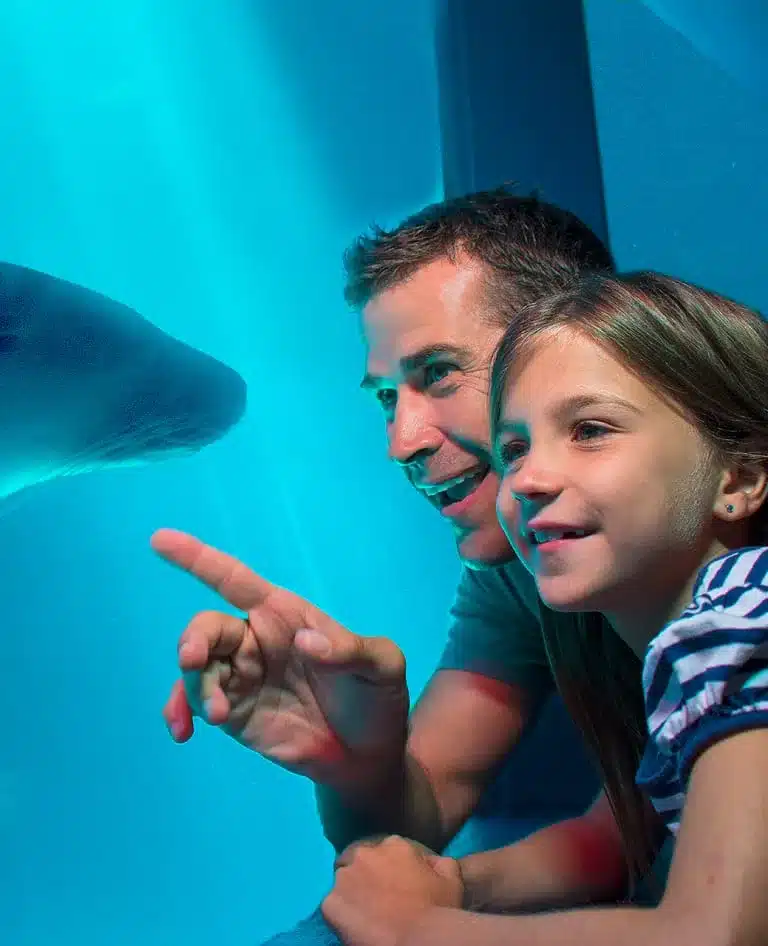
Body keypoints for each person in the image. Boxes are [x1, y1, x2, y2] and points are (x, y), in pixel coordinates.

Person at [155, 190, 663, 919]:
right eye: (388, 398)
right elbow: (629, 831)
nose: (402, 442)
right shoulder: (516, 570)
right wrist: (352, 759)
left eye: (439, 374)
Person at [321, 270, 768, 946]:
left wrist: (421, 931)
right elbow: (618, 833)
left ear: (738, 476)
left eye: (589, 430)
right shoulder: (706, 636)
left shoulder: (736, 626)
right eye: (515, 448)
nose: (526, 478)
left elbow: (718, 935)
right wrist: (457, 885)